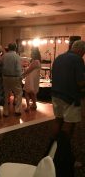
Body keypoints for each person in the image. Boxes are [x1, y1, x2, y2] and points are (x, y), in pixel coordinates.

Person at [51, 40, 85, 172]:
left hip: (56, 94)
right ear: (81, 51)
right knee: (69, 125)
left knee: (58, 119)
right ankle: (63, 155)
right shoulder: (77, 60)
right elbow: (81, 82)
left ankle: (52, 148)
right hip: (70, 97)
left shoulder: (59, 57)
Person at [2, 43, 23, 117]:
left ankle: (5, 112)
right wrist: (20, 77)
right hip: (15, 77)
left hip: (5, 77)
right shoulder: (16, 56)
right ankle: (17, 110)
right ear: (15, 48)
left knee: (5, 94)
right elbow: (18, 68)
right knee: (19, 93)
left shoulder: (4, 56)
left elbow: (2, 67)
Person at [22, 47, 41, 111]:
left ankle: (28, 107)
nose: (31, 54)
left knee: (27, 92)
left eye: (32, 53)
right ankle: (34, 104)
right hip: (33, 78)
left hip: (31, 79)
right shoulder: (37, 61)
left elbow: (29, 70)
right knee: (32, 93)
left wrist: (22, 74)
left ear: (34, 54)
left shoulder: (35, 62)